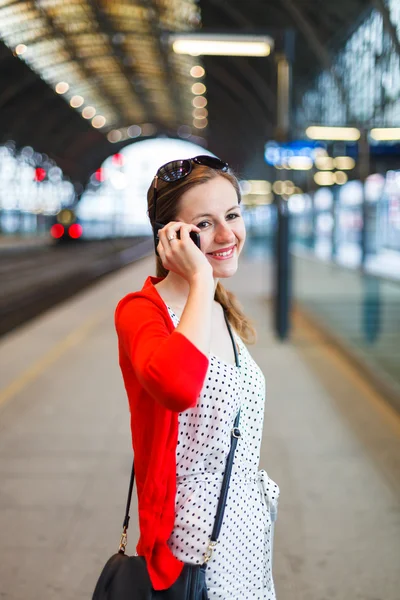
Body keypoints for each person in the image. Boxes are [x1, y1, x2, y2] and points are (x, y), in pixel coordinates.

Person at [115, 155, 279, 599]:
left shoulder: (219, 310)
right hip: (188, 549)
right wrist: (201, 280)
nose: (227, 235)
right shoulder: (141, 312)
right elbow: (177, 387)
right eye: (204, 224)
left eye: (232, 215)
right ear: (170, 236)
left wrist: (207, 290)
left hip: (247, 539)